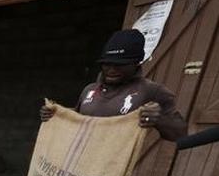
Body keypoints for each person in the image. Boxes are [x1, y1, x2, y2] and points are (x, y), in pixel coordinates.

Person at [40, 29, 187, 142]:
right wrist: (57, 114)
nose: (111, 69)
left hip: (117, 169)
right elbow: (78, 119)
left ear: (136, 63)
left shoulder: (150, 91)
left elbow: (180, 134)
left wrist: (158, 119)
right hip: (82, 165)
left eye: (119, 65)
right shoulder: (89, 90)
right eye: (106, 64)